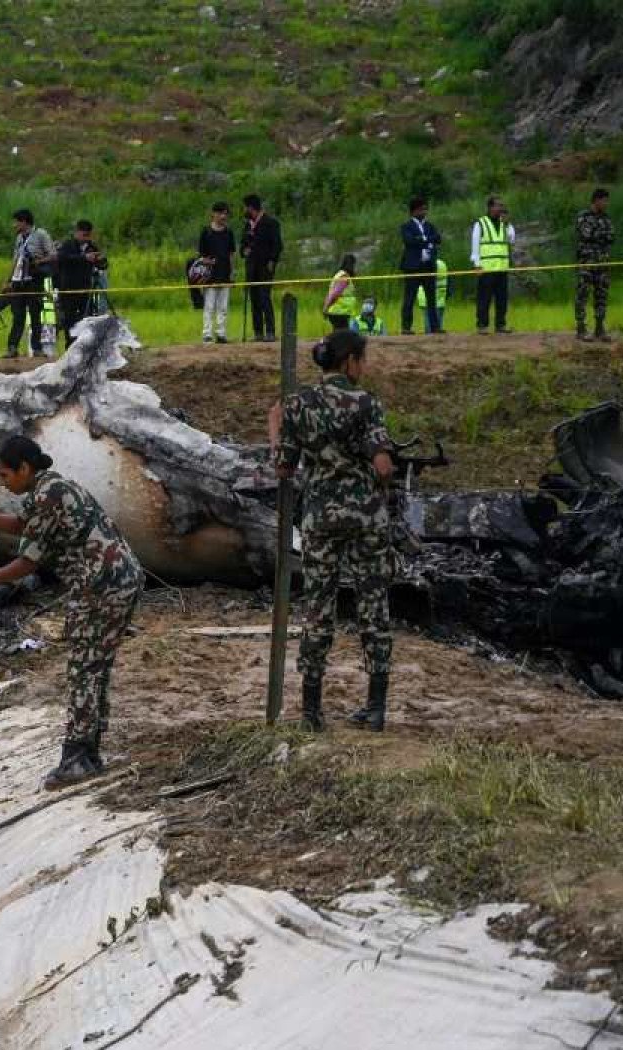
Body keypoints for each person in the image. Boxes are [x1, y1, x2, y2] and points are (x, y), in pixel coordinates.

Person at [0, 436, 143, 787]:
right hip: (117, 580)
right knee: (95, 666)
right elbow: (23, 527)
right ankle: (88, 751)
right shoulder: (51, 488)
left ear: (25, 469)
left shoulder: (47, 494)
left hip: (101, 586)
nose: (3, 482)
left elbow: (27, 562)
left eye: (5, 475)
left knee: (84, 668)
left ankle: (78, 758)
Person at [276, 328, 396, 732]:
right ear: (350, 361)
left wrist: (275, 427)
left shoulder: (298, 405)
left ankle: (311, 711)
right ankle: (376, 707)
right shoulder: (367, 403)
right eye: (363, 359)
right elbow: (382, 465)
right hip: (367, 522)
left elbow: (284, 468)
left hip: (320, 519)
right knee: (373, 607)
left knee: (317, 610)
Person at [7, 208, 55, 358]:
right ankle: (12, 347)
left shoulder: (41, 234)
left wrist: (38, 261)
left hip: (34, 280)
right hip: (19, 281)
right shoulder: (19, 238)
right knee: (18, 316)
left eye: (16, 222)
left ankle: (37, 348)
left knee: (35, 315)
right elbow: (15, 260)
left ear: (24, 222)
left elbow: (53, 255)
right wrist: (7, 280)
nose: (14, 225)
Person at [53, 221, 105, 348]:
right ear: (77, 233)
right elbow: (63, 258)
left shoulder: (92, 247)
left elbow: (103, 265)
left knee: (86, 318)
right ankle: (70, 345)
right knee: (69, 319)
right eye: (84, 235)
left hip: (86, 288)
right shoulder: (68, 244)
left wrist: (99, 260)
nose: (86, 238)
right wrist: (84, 258)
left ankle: (84, 345)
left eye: (88, 235)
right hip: (68, 288)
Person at [240, 194, 283, 342]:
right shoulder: (248, 225)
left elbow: (277, 244)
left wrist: (272, 260)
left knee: (265, 297)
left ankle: (270, 331)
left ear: (251, 207)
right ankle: (258, 331)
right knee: (254, 298)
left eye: (245, 207)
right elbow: (242, 244)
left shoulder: (271, 222)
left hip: (265, 266)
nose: (244, 210)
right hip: (251, 267)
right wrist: (244, 250)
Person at [470, 196, 515, 334]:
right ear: (490, 207)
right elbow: (475, 244)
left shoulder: (504, 224)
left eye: (502, 206)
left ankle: (500, 324)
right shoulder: (481, 223)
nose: (501, 208)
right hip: (486, 267)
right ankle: (482, 325)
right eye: (498, 205)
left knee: (502, 298)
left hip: (501, 267)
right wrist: (476, 263)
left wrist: (508, 225)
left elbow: (511, 240)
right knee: (484, 298)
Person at [398, 197, 442, 334]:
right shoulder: (406, 226)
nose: (425, 211)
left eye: (425, 208)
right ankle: (406, 327)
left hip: (428, 266)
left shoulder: (430, 226)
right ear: (414, 211)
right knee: (409, 298)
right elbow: (409, 241)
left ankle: (435, 327)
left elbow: (438, 238)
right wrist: (427, 240)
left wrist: (422, 240)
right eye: (422, 209)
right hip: (412, 267)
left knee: (431, 298)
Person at [576, 187, 614, 341]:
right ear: (596, 200)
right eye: (604, 200)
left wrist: (598, 234)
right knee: (582, 294)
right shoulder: (583, 216)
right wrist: (601, 235)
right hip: (587, 262)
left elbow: (612, 237)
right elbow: (586, 235)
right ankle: (581, 328)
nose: (606, 204)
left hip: (603, 262)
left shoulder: (606, 218)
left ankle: (600, 327)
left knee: (601, 295)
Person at [197, 201, 237, 343]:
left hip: (225, 273)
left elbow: (232, 254)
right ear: (213, 214)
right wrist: (207, 262)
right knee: (209, 306)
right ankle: (207, 333)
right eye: (221, 213)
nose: (223, 216)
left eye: (225, 213)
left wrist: (232, 272)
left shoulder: (229, 232)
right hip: (209, 275)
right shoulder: (206, 232)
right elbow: (201, 255)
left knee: (223, 306)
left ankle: (221, 333)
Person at [323, 254, 360, 330]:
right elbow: (335, 293)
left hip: (341, 311)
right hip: (339, 311)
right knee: (341, 334)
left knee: (340, 333)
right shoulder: (344, 276)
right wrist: (326, 307)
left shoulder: (341, 275)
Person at [38, 277, 59, 356]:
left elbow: (56, 298)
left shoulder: (52, 281)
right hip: (41, 320)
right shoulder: (51, 281)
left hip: (49, 320)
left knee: (48, 349)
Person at [431, 256, 450, 333]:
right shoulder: (442, 264)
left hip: (428, 298)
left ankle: (430, 333)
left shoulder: (430, 264)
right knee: (439, 318)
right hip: (442, 295)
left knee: (429, 319)